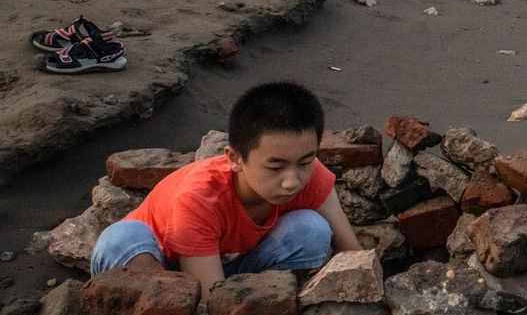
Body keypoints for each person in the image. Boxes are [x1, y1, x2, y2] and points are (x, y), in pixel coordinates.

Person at [89, 82, 360, 284]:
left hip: (233, 268)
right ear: (235, 158)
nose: (292, 181)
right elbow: (209, 302)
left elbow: (353, 253)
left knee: (311, 229)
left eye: (305, 161)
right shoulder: (199, 198)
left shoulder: (311, 175)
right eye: (275, 167)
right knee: (121, 237)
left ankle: (271, 298)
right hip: (161, 269)